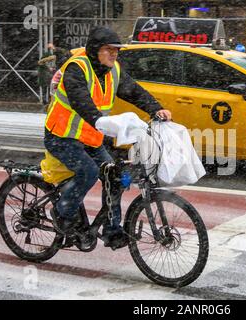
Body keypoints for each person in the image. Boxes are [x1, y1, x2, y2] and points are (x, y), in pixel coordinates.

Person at [44, 26, 172, 247]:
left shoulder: (113, 71)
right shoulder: (77, 68)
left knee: (113, 177)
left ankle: (112, 231)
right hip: (61, 136)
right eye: (108, 49)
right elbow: (80, 99)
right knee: (89, 172)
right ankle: (63, 212)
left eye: (116, 50)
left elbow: (133, 91)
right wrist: (98, 120)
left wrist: (155, 109)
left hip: (91, 138)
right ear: (95, 50)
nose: (114, 54)